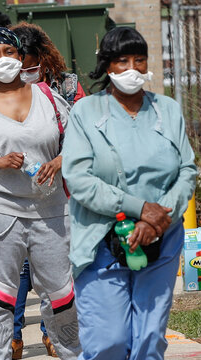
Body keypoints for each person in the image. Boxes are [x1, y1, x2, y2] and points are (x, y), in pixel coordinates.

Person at [62, 27, 196, 360]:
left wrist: (157, 219)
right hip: (102, 239)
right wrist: (139, 208)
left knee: (149, 339)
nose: (132, 69)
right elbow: (78, 178)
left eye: (139, 60)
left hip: (160, 237)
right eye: (122, 61)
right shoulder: (86, 113)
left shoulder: (167, 109)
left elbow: (187, 170)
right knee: (109, 341)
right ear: (107, 65)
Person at [0, 28, 81, 359]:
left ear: (21, 57)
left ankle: (73, 352)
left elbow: (77, 141)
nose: (3, 58)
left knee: (62, 293)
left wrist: (59, 161)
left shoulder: (48, 97)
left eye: (10, 51)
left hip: (51, 210)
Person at [9, 21, 86, 358]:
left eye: (29, 63)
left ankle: (52, 333)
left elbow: (85, 135)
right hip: (15, 195)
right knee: (19, 272)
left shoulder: (67, 86)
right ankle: (12, 337)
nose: (24, 70)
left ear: (41, 57)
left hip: (60, 193)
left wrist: (60, 160)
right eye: (18, 63)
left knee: (54, 269)